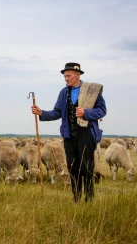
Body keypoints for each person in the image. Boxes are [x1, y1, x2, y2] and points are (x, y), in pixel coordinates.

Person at [31, 62, 106, 203]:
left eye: (68, 76)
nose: (66, 79)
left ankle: (89, 198)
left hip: (86, 133)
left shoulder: (91, 91)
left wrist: (86, 112)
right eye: (65, 76)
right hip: (69, 134)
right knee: (72, 166)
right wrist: (41, 113)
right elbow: (57, 112)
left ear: (78, 75)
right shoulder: (63, 93)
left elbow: (102, 110)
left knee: (86, 166)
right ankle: (76, 197)